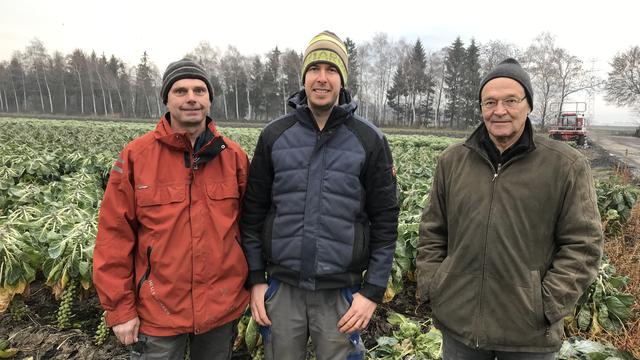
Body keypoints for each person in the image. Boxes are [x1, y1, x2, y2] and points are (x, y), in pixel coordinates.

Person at [416, 58, 603, 359]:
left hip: (528, 336)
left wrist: (546, 305)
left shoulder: (565, 165)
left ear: (528, 105)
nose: (499, 110)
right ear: (481, 108)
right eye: (490, 102)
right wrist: (435, 286)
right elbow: (432, 232)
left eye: (510, 100)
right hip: (459, 329)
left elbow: (584, 245)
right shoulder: (452, 162)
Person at [240, 31, 399, 360]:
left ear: (342, 79)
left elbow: (385, 220)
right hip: (283, 290)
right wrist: (256, 279)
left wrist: (371, 292)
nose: (322, 78)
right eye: (314, 69)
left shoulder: (369, 140)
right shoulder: (274, 136)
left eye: (331, 70)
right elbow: (253, 213)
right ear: (303, 77)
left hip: (341, 293)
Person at [93, 58, 249, 360]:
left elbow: (250, 227)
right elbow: (114, 236)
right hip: (158, 311)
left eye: (199, 90)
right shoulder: (136, 156)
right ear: (166, 99)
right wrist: (120, 309)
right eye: (180, 91)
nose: (191, 98)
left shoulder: (234, 157)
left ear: (209, 100)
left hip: (220, 309)